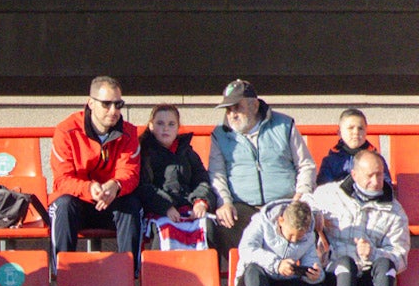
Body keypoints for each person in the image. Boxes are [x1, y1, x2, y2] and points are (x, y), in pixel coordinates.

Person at [209, 79, 316, 263]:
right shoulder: (220, 135)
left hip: (284, 204)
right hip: (242, 207)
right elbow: (217, 175)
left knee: (301, 220)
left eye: (237, 107)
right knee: (222, 223)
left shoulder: (283, 125)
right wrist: (224, 202)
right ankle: (244, 279)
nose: (232, 114)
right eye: (228, 109)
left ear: (255, 105)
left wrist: (301, 195)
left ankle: (287, 278)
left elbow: (306, 165)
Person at [48, 75, 142, 271]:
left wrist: (115, 186)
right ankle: (60, 278)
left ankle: (128, 279)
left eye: (118, 104)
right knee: (62, 206)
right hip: (78, 203)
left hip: (111, 201)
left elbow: (130, 174)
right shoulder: (66, 131)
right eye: (106, 104)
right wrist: (89, 188)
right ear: (91, 103)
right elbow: (62, 180)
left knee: (132, 206)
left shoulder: (129, 132)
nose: (113, 111)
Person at [309, 149, 409, 286]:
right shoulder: (327, 195)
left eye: (379, 175)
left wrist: (373, 253)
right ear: (354, 174)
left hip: (370, 279)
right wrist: (317, 231)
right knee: (345, 263)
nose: (376, 181)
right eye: (369, 175)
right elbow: (302, 213)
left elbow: (401, 255)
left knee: (386, 264)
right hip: (335, 275)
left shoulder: (395, 211)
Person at [234, 199, 325, 286]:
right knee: (253, 269)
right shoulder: (261, 222)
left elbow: (311, 262)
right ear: (280, 220)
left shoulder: (309, 236)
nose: (294, 240)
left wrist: (315, 275)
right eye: (291, 234)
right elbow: (246, 250)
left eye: (299, 236)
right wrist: (277, 264)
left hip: (282, 284)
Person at [136, 104, 215, 250]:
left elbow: (201, 179)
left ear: (178, 127)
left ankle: (205, 270)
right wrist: (165, 207)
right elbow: (143, 186)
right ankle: (161, 271)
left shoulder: (187, 152)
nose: (166, 128)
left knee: (208, 227)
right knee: (165, 229)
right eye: (160, 123)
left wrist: (200, 201)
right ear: (151, 126)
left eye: (171, 124)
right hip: (160, 209)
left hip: (188, 206)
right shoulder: (144, 152)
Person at [316, 108, 392, 186]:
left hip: (370, 195)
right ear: (339, 132)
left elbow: (387, 186)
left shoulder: (376, 160)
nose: (356, 132)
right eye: (351, 128)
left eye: (360, 128)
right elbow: (324, 188)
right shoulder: (331, 161)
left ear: (366, 131)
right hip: (339, 196)